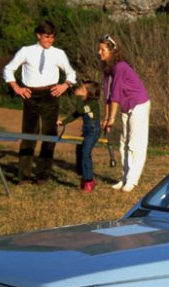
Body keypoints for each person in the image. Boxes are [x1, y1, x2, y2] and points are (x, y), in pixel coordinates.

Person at [2, 20, 76, 184]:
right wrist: (17, 88)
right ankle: (24, 176)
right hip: (31, 96)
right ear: (38, 35)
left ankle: (43, 175)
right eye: (47, 37)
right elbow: (8, 69)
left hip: (51, 94)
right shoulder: (26, 51)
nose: (50, 41)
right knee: (28, 136)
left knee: (49, 136)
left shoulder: (58, 53)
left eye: (52, 38)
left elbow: (71, 74)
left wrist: (65, 85)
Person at [98, 34, 150, 192]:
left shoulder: (120, 67)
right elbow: (107, 96)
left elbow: (116, 95)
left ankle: (132, 181)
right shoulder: (108, 70)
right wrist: (106, 118)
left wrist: (112, 117)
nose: (99, 52)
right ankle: (124, 177)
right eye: (99, 49)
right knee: (123, 143)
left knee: (136, 143)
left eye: (102, 49)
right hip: (126, 107)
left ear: (112, 50)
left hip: (139, 104)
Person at [58, 80, 101, 192]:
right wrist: (64, 122)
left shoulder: (92, 103)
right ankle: (84, 177)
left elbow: (80, 109)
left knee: (86, 154)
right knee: (80, 151)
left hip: (93, 131)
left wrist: (78, 97)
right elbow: (76, 114)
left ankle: (89, 181)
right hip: (87, 130)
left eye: (82, 89)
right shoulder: (84, 102)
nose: (79, 90)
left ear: (89, 92)